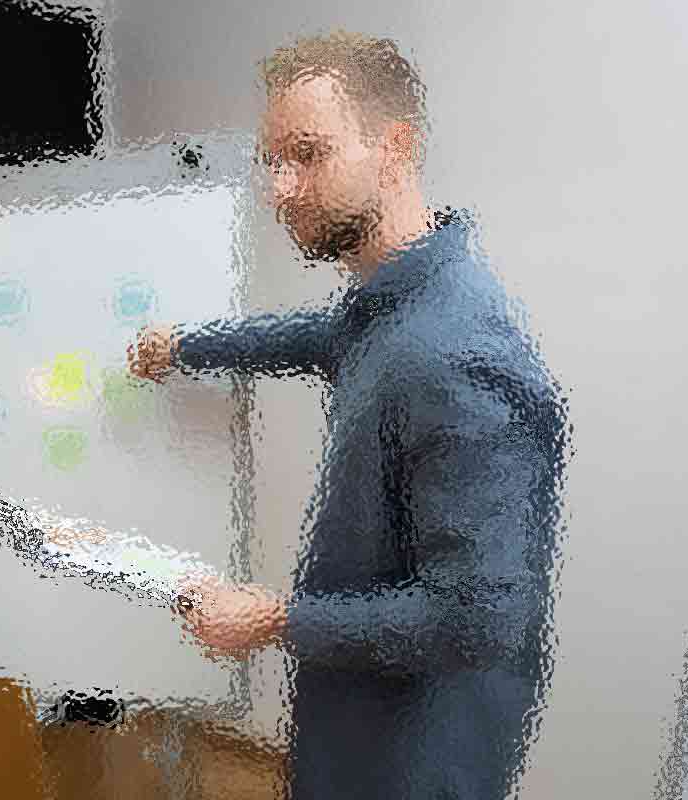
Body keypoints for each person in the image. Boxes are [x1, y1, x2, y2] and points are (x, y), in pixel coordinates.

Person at [127, 30, 567, 800]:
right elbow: (313, 334)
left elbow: (477, 618)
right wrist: (187, 347)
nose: (280, 189)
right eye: (273, 161)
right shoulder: (393, 308)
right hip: (351, 731)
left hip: (410, 765)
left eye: (308, 155)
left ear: (395, 148)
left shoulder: (455, 354)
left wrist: (274, 620)